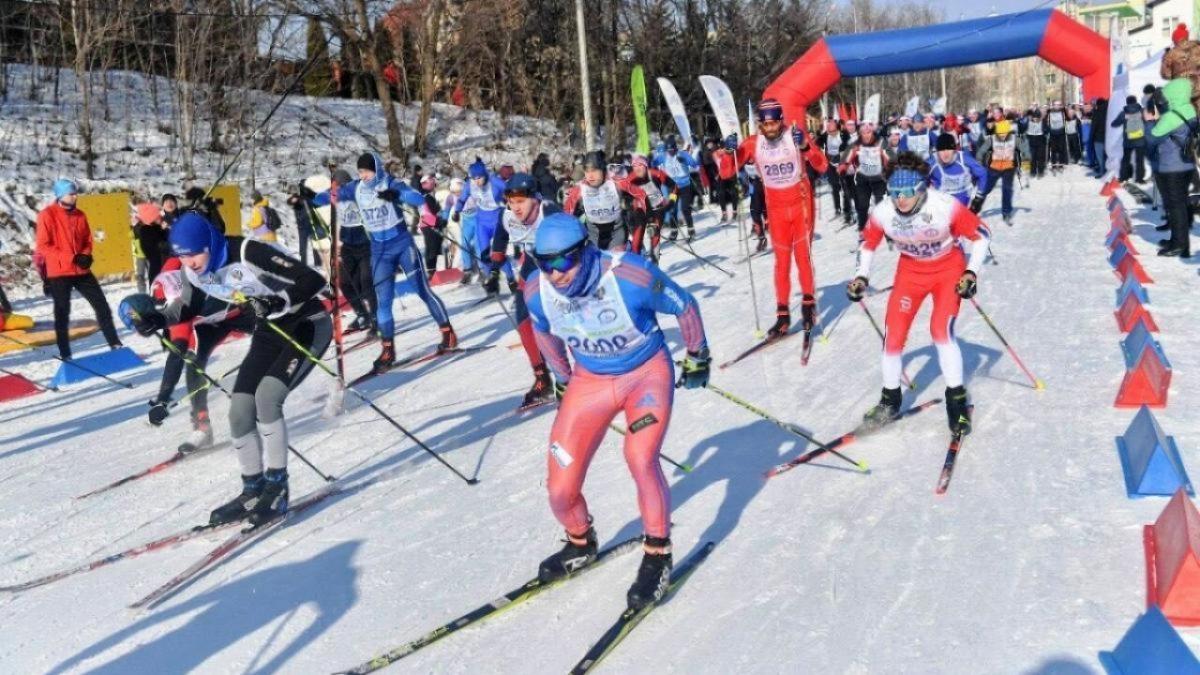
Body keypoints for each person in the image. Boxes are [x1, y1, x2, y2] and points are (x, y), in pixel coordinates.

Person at [523, 212, 710, 610]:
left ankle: (657, 553)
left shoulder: (629, 275)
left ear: (585, 250)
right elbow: (541, 328)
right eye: (544, 263)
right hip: (590, 381)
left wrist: (697, 355)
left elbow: (684, 304)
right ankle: (579, 541)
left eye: (563, 261)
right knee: (559, 487)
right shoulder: (537, 290)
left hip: (645, 376)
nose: (555, 273)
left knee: (639, 457)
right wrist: (561, 377)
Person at [123, 211, 331, 526]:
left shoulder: (246, 252)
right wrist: (158, 319)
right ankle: (252, 489)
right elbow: (188, 308)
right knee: (240, 410)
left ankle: (277, 487)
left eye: (194, 254)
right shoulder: (194, 271)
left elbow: (313, 279)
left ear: (209, 243)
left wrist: (277, 301)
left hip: (306, 324)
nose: (189, 262)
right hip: (270, 331)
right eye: (183, 256)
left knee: (267, 398)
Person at [848, 152, 990, 436]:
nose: (900, 200)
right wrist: (861, 276)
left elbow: (981, 235)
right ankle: (890, 400)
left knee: (940, 331)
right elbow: (867, 243)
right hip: (910, 272)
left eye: (908, 193)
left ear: (922, 189)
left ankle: (957, 402)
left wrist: (971, 272)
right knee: (893, 334)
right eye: (895, 193)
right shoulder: (883, 211)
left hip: (947, 269)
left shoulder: (944, 205)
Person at [341, 152, 456, 371]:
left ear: (376, 170)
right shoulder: (355, 188)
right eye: (361, 172)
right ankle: (388, 350)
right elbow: (331, 195)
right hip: (379, 252)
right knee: (383, 301)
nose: (363, 175)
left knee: (423, 291)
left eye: (367, 171)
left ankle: (447, 332)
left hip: (402, 246)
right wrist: (308, 197)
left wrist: (397, 194)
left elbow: (417, 198)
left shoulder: (390, 183)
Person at [138, 256, 256, 453]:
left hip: (244, 311)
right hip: (215, 323)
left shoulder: (185, 273)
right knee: (193, 363)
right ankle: (202, 427)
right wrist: (162, 399)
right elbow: (176, 357)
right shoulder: (170, 285)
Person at [735, 98, 829, 337]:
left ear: (781, 120)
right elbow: (727, 171)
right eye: (765, 125)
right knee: (782, 262)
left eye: (774, 123)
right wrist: (729, 152)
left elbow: (822, 165)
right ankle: (783, 316)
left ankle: (808, 305)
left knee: (802, 257)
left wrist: (806, 147)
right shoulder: (753, 143)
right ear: (759, 124)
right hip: (776, 210)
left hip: (801, 205)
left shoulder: (795, 136)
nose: (770, 129)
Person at [34, 178, 123, 360]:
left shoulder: (80, 215)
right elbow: (43, 246)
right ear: (60, 195)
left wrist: (85, 255)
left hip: (81, 271)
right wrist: (71, 257)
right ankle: (66, 354)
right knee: (62, 313)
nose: (75, 196)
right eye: (71, 193)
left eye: (76, 193)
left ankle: (115, 344)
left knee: (102, 306)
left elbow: (87, 240)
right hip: (59, 272)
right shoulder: (47, 215)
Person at [493, 173, 562, 407]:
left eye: (521, 201)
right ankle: (542, 378)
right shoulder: (507, 215)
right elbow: (500, 239)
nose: (516, 207)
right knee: (523, 321)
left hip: (558, 268)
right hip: (532, 267)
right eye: (511, 201)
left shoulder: (548, 211)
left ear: (534, 198)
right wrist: (494, 269)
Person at [1145, 78, 1197, 258]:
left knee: (1176, 207)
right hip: (1186, 163)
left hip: (1172, 166)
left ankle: (1179, 244)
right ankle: (1176, 240)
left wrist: (1150, 121)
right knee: (1179, 205)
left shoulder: (1171, 117)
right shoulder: (1189, 110)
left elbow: (1151, 138)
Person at [563, 150, 648, 251]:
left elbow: (641, 194)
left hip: (617, 234)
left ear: (602, 169)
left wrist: (640, 210)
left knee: (616, 259)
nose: (590, 175)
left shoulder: (617, 183)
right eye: (587, 171)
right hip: (593, 237)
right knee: (593, 259)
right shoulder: (579, 189)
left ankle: (636, 251)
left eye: (594, 170)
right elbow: (566, 216)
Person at [453, 158, 514, 297]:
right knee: (484, 255)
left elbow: (512, 191)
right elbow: (462, 199)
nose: (477, 182)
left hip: (498, 221)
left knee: (497, 254)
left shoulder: (495, 182)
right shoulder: (470, 185)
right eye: (474, 179)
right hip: (482, 222)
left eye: (479, 178)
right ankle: (492, 286)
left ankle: (511, 280)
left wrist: (511, 204)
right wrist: (456, 211)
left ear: (485, 175)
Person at [323, 168, 375, 333]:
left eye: (338, 185)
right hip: (348, 245)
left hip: (366, 243)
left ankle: (376, 319)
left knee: (366, 282)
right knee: (344, 282)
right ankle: (362, 314)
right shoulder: (334, 196)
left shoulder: (356, 191)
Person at [973, 119, 1029, 225]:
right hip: (994, 168)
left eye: (1004, 133)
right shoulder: (992, 139)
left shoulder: (1014, 139)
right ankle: (974, 208)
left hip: (1008, 168)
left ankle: (1006, 213)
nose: (1002, 136)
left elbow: (1024, 149)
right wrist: (978, 161)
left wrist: (1026, 161)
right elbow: (981, 151)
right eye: (1000, 134)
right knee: (985, 188)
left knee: (1007, 190)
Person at [627, 154, 677, 262]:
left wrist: (672, 201)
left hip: (657, 209)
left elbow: (674, 186)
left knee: (654, 233)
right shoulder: (630, 178)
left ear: (645, 166)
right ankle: (637, 262)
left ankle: (654, 261)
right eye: (634, 166)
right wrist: (628, 205)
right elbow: (623, 194)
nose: (637, 169)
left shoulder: (656, 173)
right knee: (637, 237)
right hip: (641, 211)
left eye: (640, 165)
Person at [841, 123, 889, 232]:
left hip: (878, 179)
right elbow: (848, 159)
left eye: (869, 132)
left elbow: (887, 158)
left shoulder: (880, 143)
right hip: (863, 179)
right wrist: (843, 168)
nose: (866, 135)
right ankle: (862, 229)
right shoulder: (856, 145)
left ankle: (884, 227)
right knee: (863, 205)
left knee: (880, 203)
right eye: (864, 133)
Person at [651, 137, 701, 241]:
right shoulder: (663, 156)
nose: (671, 153)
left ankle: (691, 231)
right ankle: (674, 231)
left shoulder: (683, 154)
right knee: (672, 209)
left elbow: (697, 166)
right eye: (669, 151)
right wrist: (648, 161)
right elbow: (652, 164)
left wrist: (686, 162)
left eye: (673, 150)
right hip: (672, 188)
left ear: (676, 148)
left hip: (685, 186)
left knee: (685, 208)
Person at [928, 132, 989, 208]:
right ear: (937, 151)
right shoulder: (933, 164)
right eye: (942, 150)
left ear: (954, 150)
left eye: (949, 149)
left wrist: (978, 197)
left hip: (965, 202)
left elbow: (983, 173)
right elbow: (920, 179)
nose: (945, 153)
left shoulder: (964, 159)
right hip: (943, 203)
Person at [817, 119, 853, 223]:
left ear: (838, 129)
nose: (831, 133)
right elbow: (817, 144)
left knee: (845, 188)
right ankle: (837, 208)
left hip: (842, 162)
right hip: (831, 163)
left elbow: (849, 147)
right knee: (834, 186)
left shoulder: (844, 134)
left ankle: (848, 213)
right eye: (829, 131)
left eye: (833, 132)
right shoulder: (825, 135)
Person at [1112, 95, 1148, 183]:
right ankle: (1140, 179)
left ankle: (1123, 177)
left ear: (1127, 102)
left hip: (1128, 141)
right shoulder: (1142, 111)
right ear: (1136, 101)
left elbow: (1114, 124)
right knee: (1140, 160)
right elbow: (1148, 121)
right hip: (1140, 140)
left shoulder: (1124, 113)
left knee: (1126, 160)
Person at [416, 175, 446, 277]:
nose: (434, 186)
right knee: (432, 248)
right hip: (430, 224)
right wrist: (439, 221)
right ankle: (431, 271)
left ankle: (432, 270)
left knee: (432, 247)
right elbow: (431, 211)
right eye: (432, 184)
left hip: (428, 224)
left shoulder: (424, 196)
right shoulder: (427, 197)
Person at [712, 139, 740, 224]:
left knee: (733, 192)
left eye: (723, 147)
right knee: (721, 194)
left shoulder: (731, 152)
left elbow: (736, 158)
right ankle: (724, 213)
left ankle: (735, 212)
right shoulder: (715, 154)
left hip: (731, 175)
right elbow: (715, 164)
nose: (722, 149)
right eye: (720, 148)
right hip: (721, 176)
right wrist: (716, 174)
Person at [1046, 102, 1068, 171]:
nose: (1057, 106)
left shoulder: (1062, 111)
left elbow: (1067, 117)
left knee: (1061, 149)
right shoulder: (1049, 111)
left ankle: (1061, 164)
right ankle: (1053, 164)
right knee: (1053, 149)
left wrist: (1064, 108)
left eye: (1058, 105)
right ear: (1053, 106)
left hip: (1061, 132)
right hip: (1053, 133)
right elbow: (1046, 117)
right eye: (1055, 105)